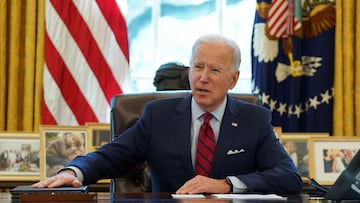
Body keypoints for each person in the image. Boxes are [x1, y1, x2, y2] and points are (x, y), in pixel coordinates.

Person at [32, 34, 302, 194]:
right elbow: (110, 156)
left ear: (233, 79)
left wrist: (227, 184)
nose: (202, 78)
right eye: (198, 66)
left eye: (215, 70)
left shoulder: (254, 119)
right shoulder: (158, 116)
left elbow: (288, 177)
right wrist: (75, 171)